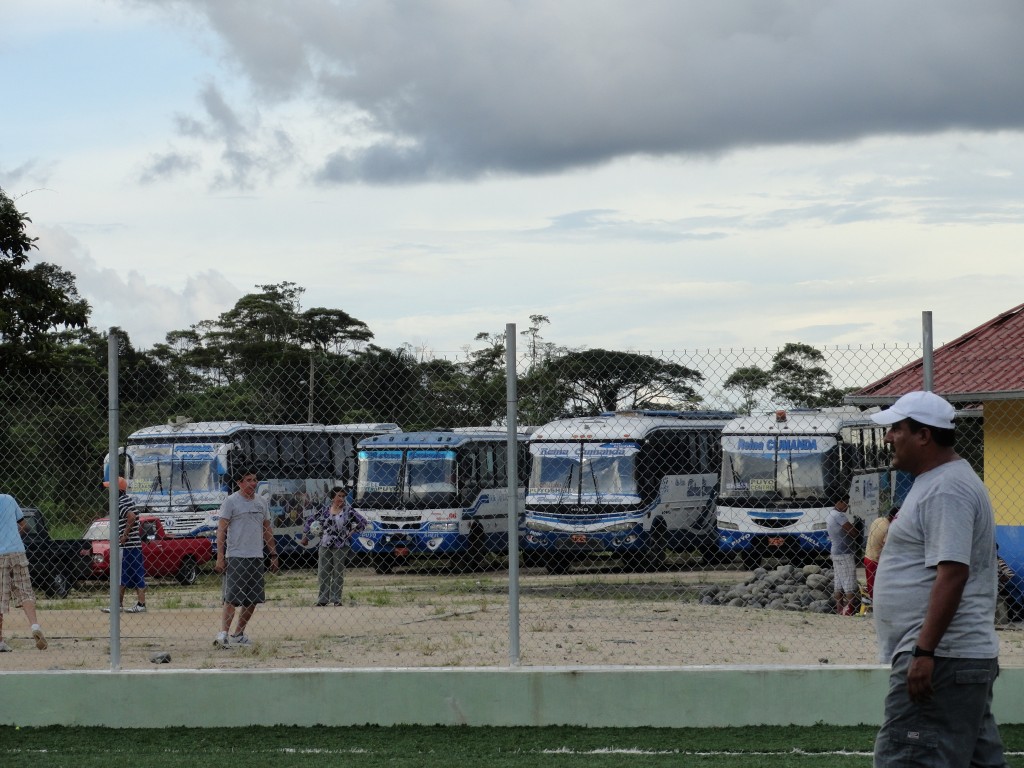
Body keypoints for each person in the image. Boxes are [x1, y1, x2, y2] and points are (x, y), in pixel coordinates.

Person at [870, 391, 1008, 766]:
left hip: (943, 660)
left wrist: (924, 651)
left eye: (896, 429)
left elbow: (953, 573)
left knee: (909, 757)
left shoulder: (946, 488)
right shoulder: (940, 482)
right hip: (955, 660)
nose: (888, 438)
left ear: (923, 436)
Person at [214, 469, 278, 647]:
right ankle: (223, 634)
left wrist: (273, 554)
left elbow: (267, 529)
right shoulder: (231, 502)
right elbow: (221, 530)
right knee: (232, 598)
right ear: (239, 483)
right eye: (248, 480)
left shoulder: (261, 502)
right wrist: (220, 556)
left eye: (255, 479)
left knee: (253, 598)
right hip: (236, 556)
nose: (252, 483)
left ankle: (238, 634)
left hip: (256, 556)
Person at [301, 486, 368, 606]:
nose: (341, 499)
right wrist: (305, 535)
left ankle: (336, 599)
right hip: (325, 544)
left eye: (343, 496)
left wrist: (352, 532)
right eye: (339, 496)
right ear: (333, 498)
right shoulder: (324, 511)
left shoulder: (348, 511)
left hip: (341, 545)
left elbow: (363, 522)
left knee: (338, 572)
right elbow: (310, 520)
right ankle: (322, 599)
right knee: (323, 572)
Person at [0, 493, 47, 652]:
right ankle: (34, 626)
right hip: (17, 551)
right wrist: (12, 537)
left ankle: (0, 640)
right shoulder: (8, 499)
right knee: (25, 590)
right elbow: (24, 526)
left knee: (1, 596)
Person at [100, 477, 147, 613]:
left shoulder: (119, 503)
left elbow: (131, 516)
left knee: (120, 575)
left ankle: (117, 605)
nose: (109, 491)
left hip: (126, 546)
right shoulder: (128, 500)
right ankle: (140, 604)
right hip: (135, 544)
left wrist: (124, 534)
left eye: (110, 489)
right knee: (135, 574)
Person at [825, 496, 860, 616]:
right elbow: (853, 532)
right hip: (844, 553)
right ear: (839, 502)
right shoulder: (839, 516)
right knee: (849, 582)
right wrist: (857, 529)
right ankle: (849, 610)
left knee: (838, 583)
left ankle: (840, 610)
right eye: (846, 502)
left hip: (835, 552)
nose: (847, 505)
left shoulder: (830, 514)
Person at [863, 506, 898, 601]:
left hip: (867, 556)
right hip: (875, 560)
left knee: (871, 587)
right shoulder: (888, 528)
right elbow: (887, 546)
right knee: (876, 589)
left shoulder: (878, 520)